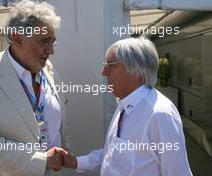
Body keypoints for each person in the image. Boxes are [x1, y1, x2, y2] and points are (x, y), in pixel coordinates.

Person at [0, 0, 70, 176]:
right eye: (44, 42)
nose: (51, 51)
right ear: (18, 38)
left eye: (53, 42)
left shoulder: (49, 71)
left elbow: (60, 126)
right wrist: (41, 160)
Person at [58, 37, 193, 176]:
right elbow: (111, 155)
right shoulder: (125, 105)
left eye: (111, 64)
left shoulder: (159, 114)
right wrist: (75, 162)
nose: (103, 72)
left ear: (136, 70)